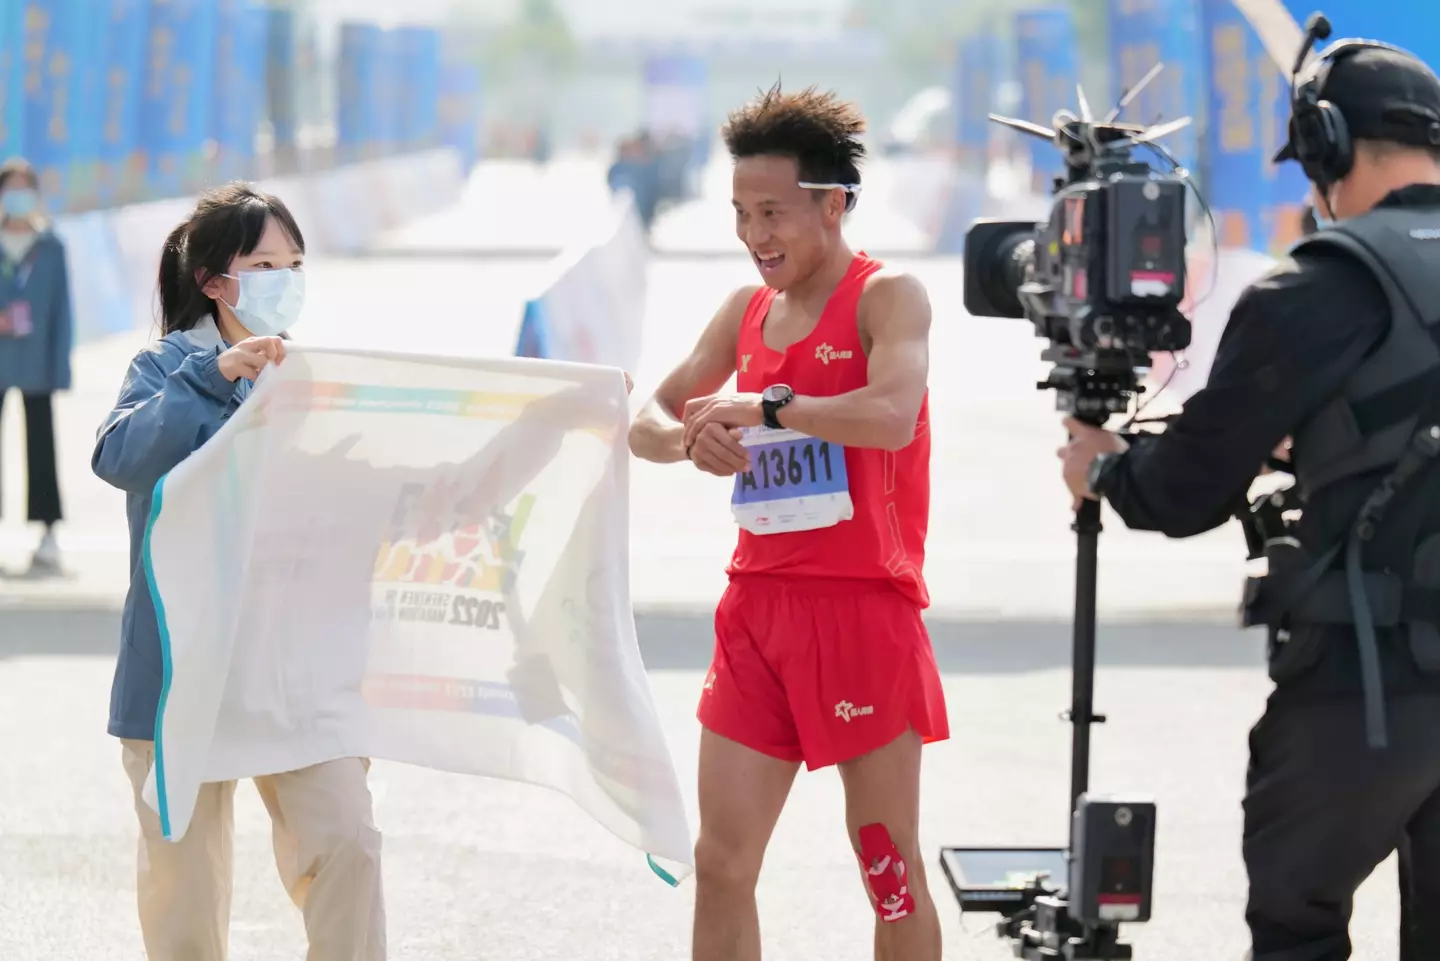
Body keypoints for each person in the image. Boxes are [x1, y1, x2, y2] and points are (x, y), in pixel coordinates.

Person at [1057, 37, 1440, 960]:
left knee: (1298, 930)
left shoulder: (1320, 285)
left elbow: (1185, 489)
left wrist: (1107, 468)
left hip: (1367, 688)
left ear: (1325, 145)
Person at [628, 83, 948, 961]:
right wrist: (690, 443)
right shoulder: (745, 312)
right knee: (720, 861)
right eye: (739, 212)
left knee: (886, 868)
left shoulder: (891, 297)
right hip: (756, 613)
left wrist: (768, 409)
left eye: (773, 211)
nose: (754, 234)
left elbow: (890, 413)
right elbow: (645, 421)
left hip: (862, 612)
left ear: (832, 202)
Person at [92, 182, 386, 961]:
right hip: (183, 673)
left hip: (292, 670)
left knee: (347, 843)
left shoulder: (314, 376)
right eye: (264, 262)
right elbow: (119, 457)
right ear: (215, 282)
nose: (285, 278)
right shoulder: (167, 367)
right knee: (183, 895)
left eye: (295, 262)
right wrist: (211, 376)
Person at [0, 157, 72, 573]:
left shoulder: (51, 246)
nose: (18, 197)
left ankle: (47, 532)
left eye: (24, 188)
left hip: (36, 361)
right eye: (10, 188)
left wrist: (60, 367)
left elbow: (62, 311)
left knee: (41, 445)